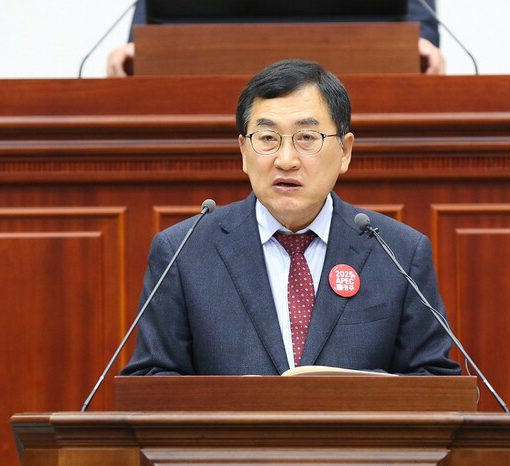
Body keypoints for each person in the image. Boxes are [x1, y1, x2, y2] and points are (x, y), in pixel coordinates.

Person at [121, 59, 460, 376]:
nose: (286, 160)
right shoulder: (183, 252)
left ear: (345, 151)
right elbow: (152, 382)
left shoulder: (399, 252)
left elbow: (433, 381)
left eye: (307, 138)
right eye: (268, 138)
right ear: (243, 151)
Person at [107, 0, 445, 77]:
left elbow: (417, 16)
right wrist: (142, 38)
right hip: (213, 58)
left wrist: (419, 36)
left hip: (360, 59)